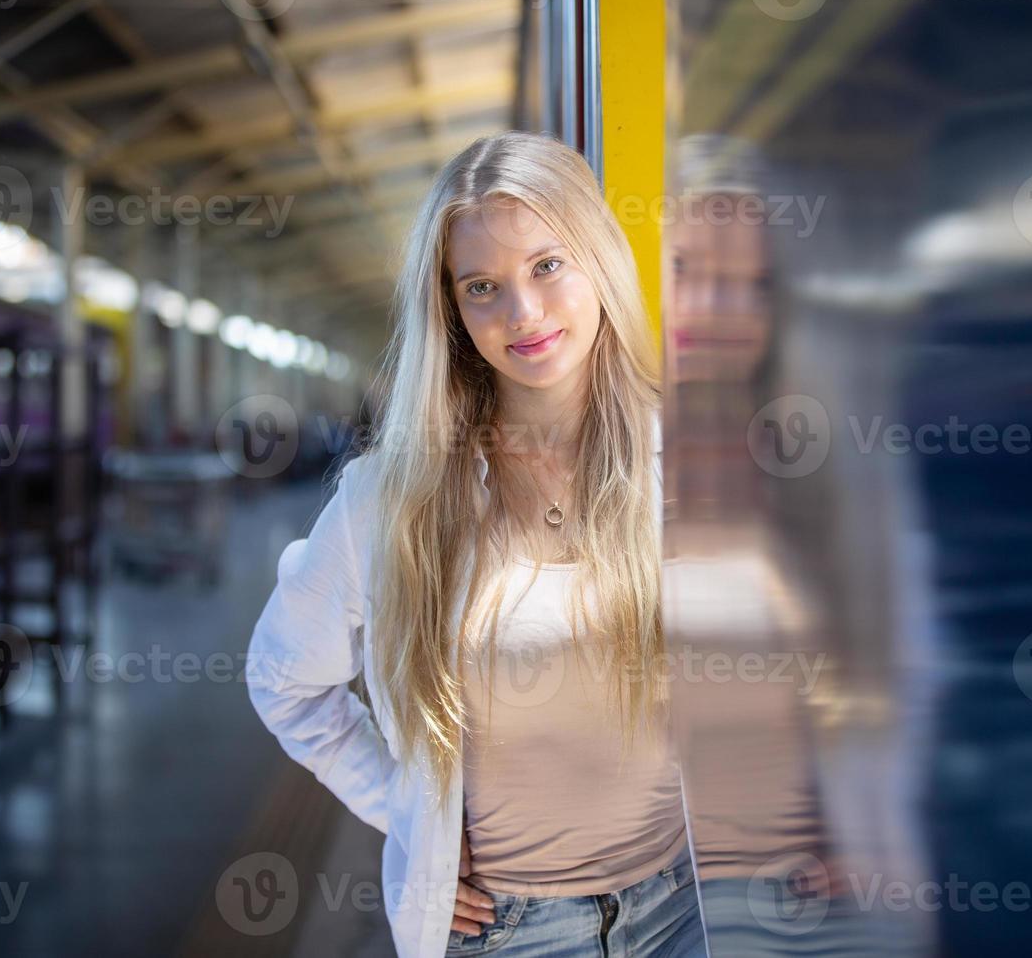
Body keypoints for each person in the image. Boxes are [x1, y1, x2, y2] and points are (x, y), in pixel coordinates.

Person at [246, 131, 704, 958]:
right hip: (512, 933)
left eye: (547, 266)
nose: (522, 313)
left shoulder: (693, 464)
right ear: (452, 311)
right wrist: (410, 818)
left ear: (597, 255)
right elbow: (283, 680)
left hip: (688, 912)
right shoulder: (394, 499)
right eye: (483, 286)